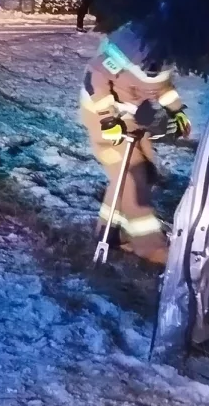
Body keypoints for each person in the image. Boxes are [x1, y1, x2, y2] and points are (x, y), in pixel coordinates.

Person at [79, 23, 192, 265]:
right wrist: (108, 120)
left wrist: (177, 111)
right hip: (104, 125)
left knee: (142, 173)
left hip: (133, 123)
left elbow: (161, 88)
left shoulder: (161, 53)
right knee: (133, 177)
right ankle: (150, 246)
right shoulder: (125, 51)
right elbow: (94, 78)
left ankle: (109, 232)